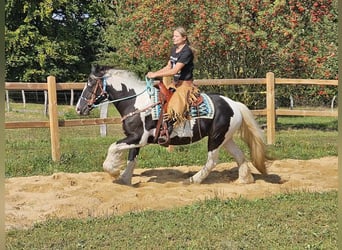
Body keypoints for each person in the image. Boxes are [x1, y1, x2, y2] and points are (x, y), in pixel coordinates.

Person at [147, 27, 199, 144]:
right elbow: (168, 67)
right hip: (175, 84)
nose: (173, 38)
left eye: (176, 36)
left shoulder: (187, 52)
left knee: (174, 107)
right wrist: (154, 73)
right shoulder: (174, 50)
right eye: (173, 36)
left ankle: (179, 131)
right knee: (161, 99)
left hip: (185, 86)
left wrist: (155, 74)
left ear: (184, 38)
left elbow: (175, 70)